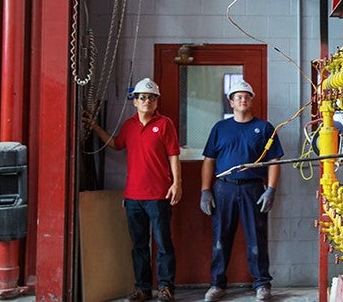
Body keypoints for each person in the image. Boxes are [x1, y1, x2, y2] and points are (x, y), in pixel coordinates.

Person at [85, 78, 182, 302]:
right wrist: (96, 128)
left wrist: (177, 183)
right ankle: (143, 288)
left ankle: (166, 288)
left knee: (163, 243)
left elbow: (173, 155)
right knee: (139, 246)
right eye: (142, 97)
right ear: (135, 102)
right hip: (133, 198)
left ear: (156, 101)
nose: (147, 101)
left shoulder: (165, 124)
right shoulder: (129, 125)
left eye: (151, 97)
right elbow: (116, 144)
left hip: (159, 195)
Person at [200, 79, 284, 302]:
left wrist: (271, 190)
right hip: (224, 190)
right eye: (238, 97)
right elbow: (209, 160)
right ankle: (217, 284)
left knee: (257, 238)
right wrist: (205, 190)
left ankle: (262, 285)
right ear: (231, 102)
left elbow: (275, 161)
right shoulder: (220, 128)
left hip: (253, 189)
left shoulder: (264, 127)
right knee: (220, 238)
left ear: (251, 100)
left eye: (246, 96)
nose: (243, 100)